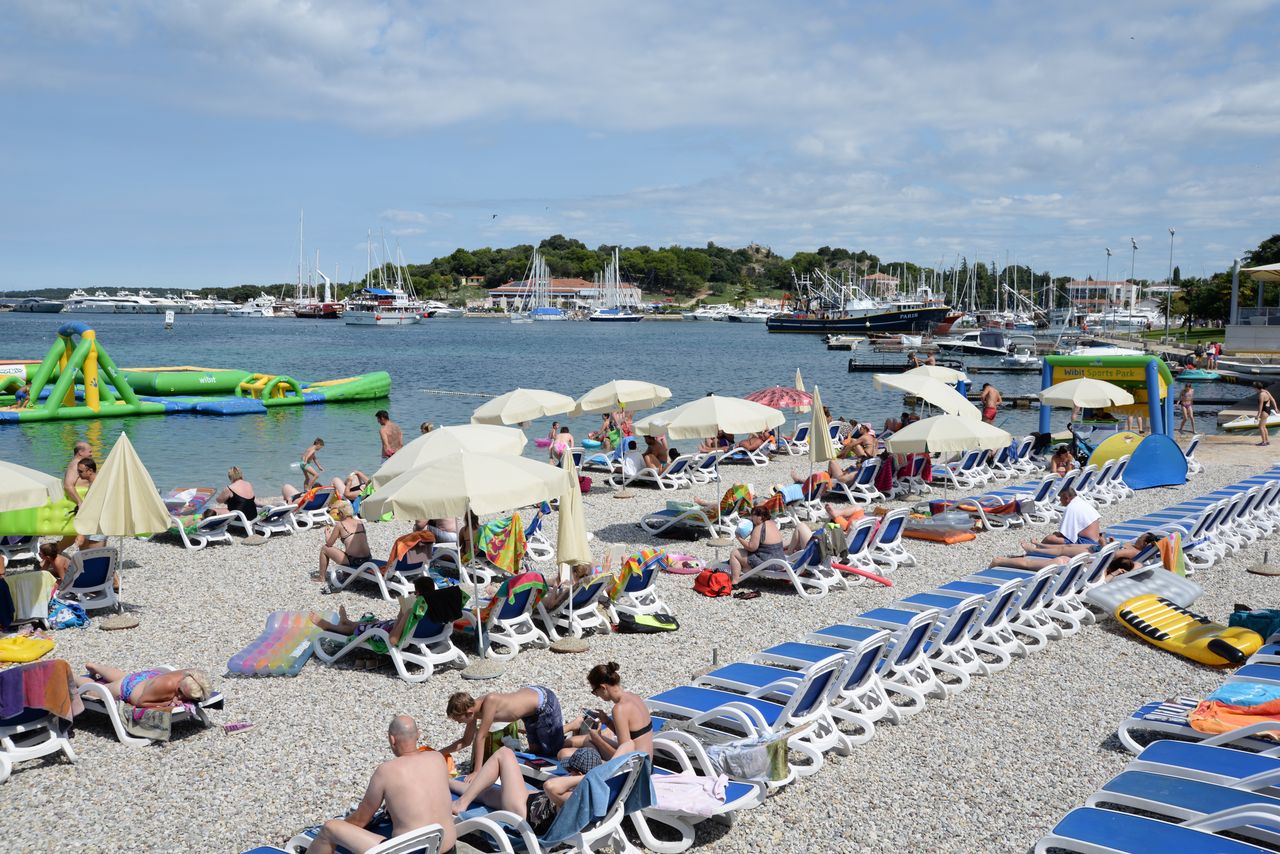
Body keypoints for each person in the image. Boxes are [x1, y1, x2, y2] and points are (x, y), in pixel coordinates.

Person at [308, 715, 458, 854]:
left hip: (412, 851)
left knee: (330, 828)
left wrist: (344, 826)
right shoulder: (438, 758)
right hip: (448, 849)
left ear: (392, 740)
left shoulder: (386, 771)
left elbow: (361, 820)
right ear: (418, 734)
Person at [448, 746, 585, 834]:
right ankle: (446, 782)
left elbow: (549, 786)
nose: (567, 774)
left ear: (579, 775)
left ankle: (461, 804)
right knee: (485, 792)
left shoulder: (575, 797)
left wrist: (583, 778)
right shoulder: (575, 790)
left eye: (570, 772)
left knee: (504, 753)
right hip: (529, 801)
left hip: (523, 813)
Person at [442, 686, 565, 771]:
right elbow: (465, 741)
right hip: (529, 711)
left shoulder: (490, 701)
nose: (459, 723)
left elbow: (481, 736)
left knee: (552, 753)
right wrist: (439, 753)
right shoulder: (473, 709)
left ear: (469, 713)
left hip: (543, 703)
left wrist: (477, 771)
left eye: (459, 720)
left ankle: (572, 727)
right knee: (536, 751)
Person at [560, 661, 655, 761]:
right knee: (579, 740)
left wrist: (598, 740)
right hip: (646, 760)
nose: (597, 696)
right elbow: (632, 736)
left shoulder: (619, 709)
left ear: (603, 687)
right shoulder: (634, 697)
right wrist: (607, 721)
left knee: (563, 754)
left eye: (595, 692)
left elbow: (622, 757)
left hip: (635, 768)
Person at [312, 576, 435, 643]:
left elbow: (393, 640)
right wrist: (400, 616)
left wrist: (404, 613)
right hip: (405, 630)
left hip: (389, 634)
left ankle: (330, 627)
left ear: (418, 593)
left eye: (415, 592)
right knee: (373, 622)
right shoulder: (436, 607)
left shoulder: (411, 612)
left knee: (360, 629)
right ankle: (346, 621)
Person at [74, 664, 212, 709]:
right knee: (98, 690)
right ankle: (73, 677)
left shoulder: (191, 675)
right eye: (179, 692)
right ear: (179, 684)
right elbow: (141, 702)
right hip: (129, 688)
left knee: (124, 677)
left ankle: (95, 666)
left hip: (145, 678)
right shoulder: (167, 685)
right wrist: (168, 702)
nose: (180, 698)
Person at [728, 505, 785, 585]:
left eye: (753, 515)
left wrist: (739, 538)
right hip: (781, 562)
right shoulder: (773, 524)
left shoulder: (759, 528)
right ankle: (745, 567)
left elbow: (752, 548)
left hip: (768, 564)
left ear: (760, 516)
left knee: (735, 553)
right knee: (744, 554)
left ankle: (734, 582)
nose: (751, 518)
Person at [318, 501, 372, 582]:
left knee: (324, 548)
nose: (337, 515)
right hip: (367, 559)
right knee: (349, 550)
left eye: (338, 513)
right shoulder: (360, 523)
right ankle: (347, 573)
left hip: (353, 561)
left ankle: (321, 578)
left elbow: (329, 543)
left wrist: (327, 534)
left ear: (342, 514)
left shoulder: (340, 525)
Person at [63, 441, 92, 506]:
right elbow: (68, 486)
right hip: (80, 500)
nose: (91, 454)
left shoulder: (81, 464)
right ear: (81, 452)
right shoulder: (75, 465)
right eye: (90, 452)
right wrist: (79, 502)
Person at [1256, 382, 1277, 447]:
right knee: (1263, 426)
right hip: (1268, 410)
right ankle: (1267, 441)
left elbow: (1261, 405)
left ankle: (1264, 442)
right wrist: (1276, 408)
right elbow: (1273, 399)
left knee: (1261, 426)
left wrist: (1258, 415)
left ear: (1256, 388)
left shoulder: (1261, 394)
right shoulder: (1266, 392)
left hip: (1264, 411)